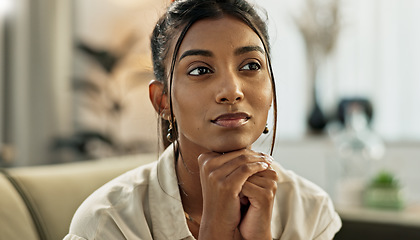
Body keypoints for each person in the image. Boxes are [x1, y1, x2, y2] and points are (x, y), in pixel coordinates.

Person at [64, 0, 342, 239]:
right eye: (200, 70)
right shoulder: (107, 224)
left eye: (250, 65)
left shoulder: (309, 212)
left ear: (270, 88)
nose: (232, 91)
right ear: (162, 100)